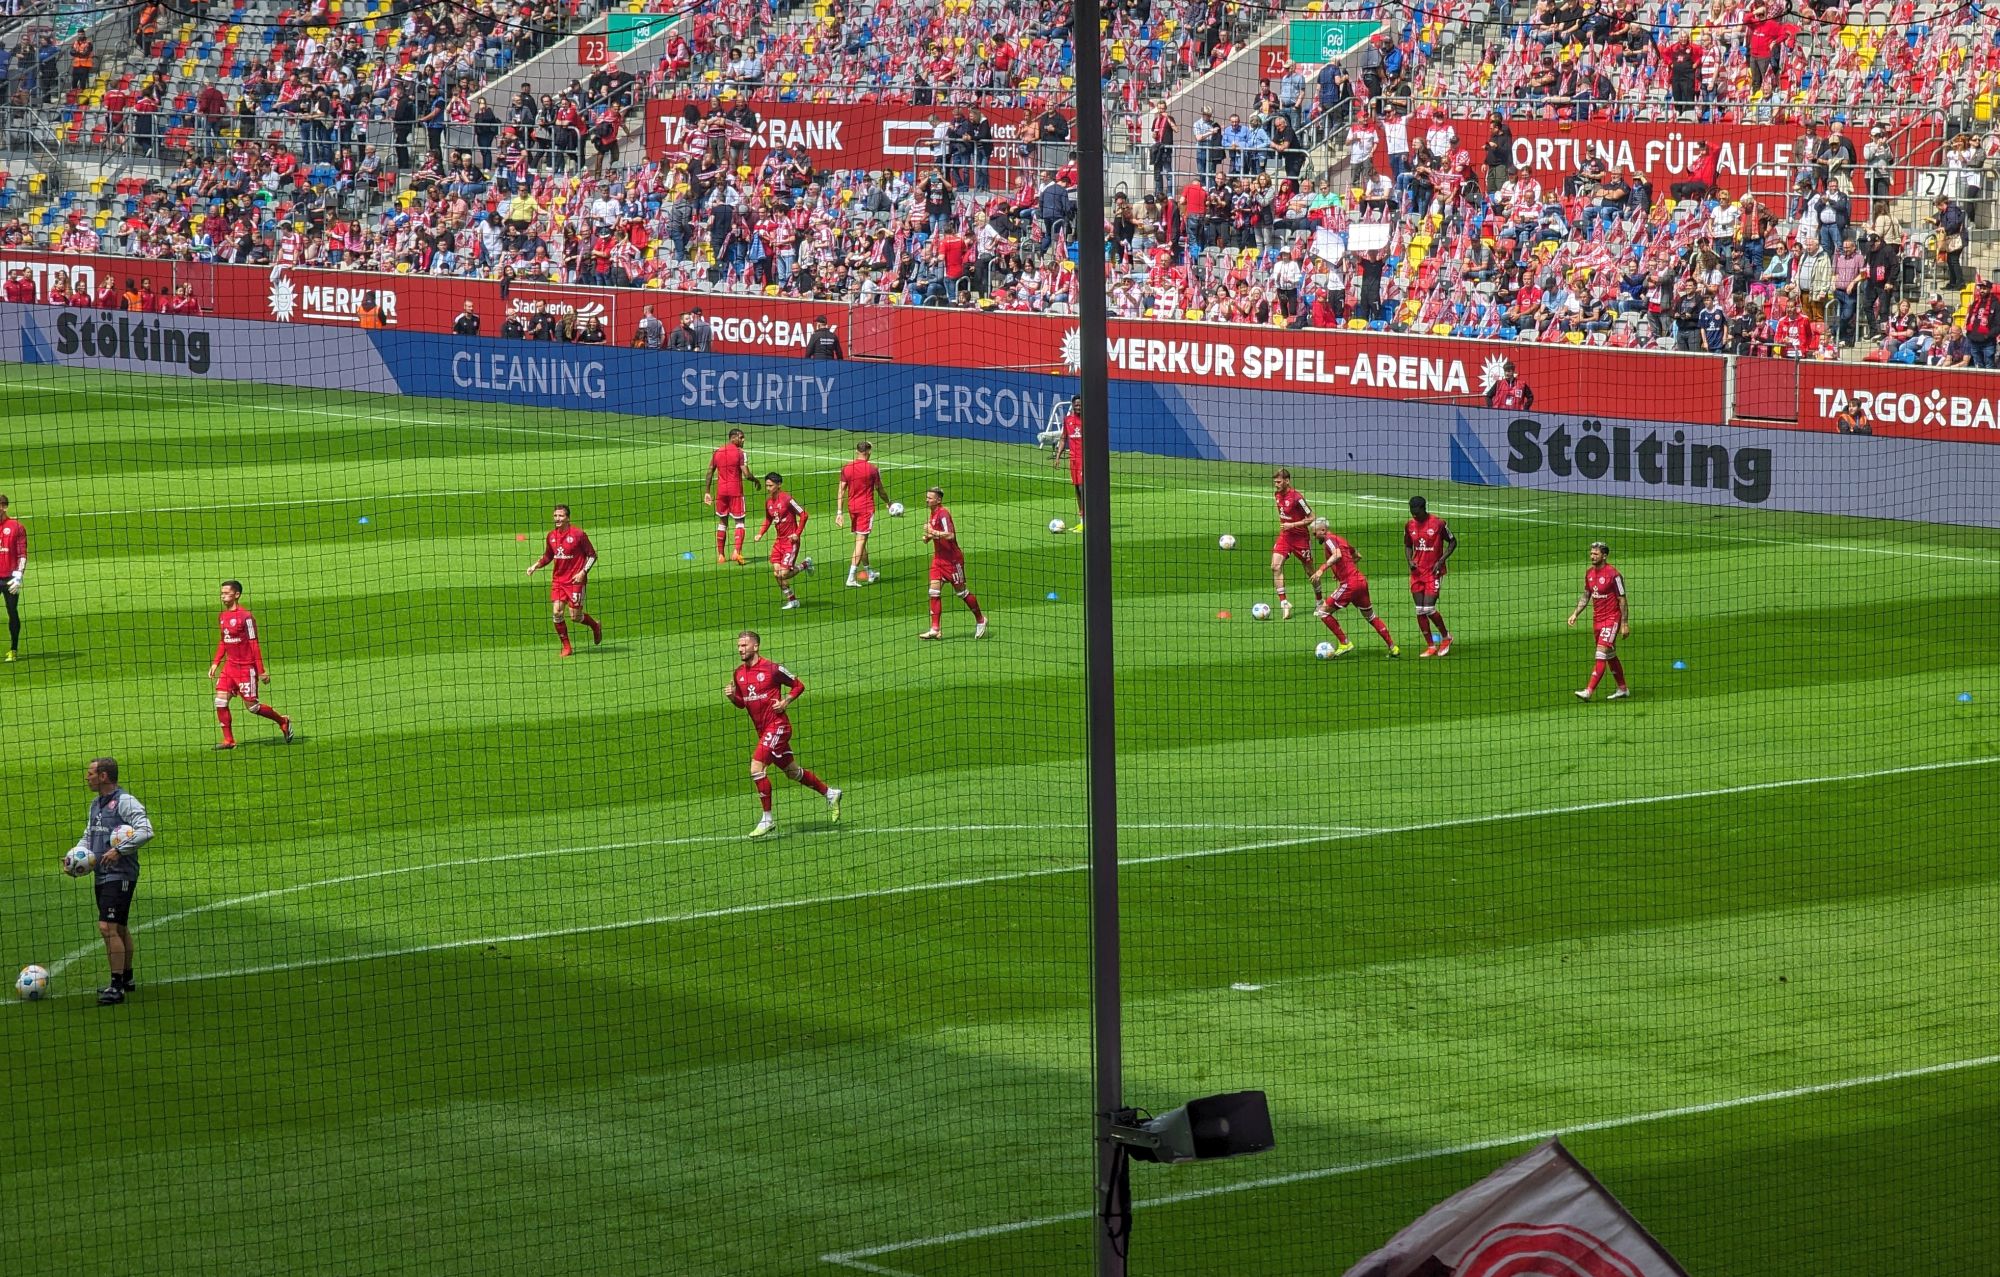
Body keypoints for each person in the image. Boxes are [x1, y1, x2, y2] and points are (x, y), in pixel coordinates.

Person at [727, 630, 840, 838]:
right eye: (739, 646)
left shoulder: (772, 669)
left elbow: (798, 685)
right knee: (792, 771)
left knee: (756, 768)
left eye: (744, 645)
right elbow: (742, 704)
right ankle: (830, 793)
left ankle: (767, 819)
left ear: (755, 646)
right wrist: (733, 697)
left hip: (778, 726)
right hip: (764, 732)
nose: (740, 649)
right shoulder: (739, 673)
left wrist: (785, 701)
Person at [65, 757, 153, 1005]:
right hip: (102, 874)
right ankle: (127, 977)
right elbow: (89, 835)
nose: (87, 777)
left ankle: (116, 987)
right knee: (119, 927)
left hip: (121, 874)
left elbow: (146, 830)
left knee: (107, 927)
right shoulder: (96, 804)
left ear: (103, 776)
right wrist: (73, 857)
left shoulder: (125, 801)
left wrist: (120, 850)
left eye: (90, 773)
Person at [207, 580, 294, 748]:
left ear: (236, 595)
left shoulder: (246, 617)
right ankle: (229, 740)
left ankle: (283, 721)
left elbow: (254, 644)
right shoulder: (222, 616)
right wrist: (215, 663)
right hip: (229, 667)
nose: (222, 596)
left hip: (246, 669)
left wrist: (261, 671)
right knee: (220, 701)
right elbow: (223, 641)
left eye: (226, 593)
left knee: (253, 707)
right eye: (221, 593)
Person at [1308, 519, 1398, 657]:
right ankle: (1393, 647)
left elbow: (1337, 554)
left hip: (1350, 584)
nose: (1314, 537)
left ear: (1323, 530)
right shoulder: (1341, 539)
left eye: (1315, 534)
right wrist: (1340, 572)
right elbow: (1357, 556)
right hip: (1360, 581)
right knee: (1371, 617)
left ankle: (1345, 643)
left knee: (1322, 612)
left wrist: (1321, 570)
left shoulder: (1329, 539)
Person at [523, 505, 601, 658]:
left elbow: (592, 555)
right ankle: (567, 647)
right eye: (555, 516)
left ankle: (595, 625)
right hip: (558, 581)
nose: (557, 519)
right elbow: (548, 556)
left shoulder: (578, 534)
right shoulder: (551, 536)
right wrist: (535, 566)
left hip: (575, 582)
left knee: (575, 617)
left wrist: (583, 572)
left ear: (568, 518)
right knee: (557, 612)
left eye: (560, 516)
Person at [919, 487, 986, 640]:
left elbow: (950, 535)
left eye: (930, 498)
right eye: (926, 497)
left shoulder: (943, 513)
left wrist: (932, 532)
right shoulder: (933, 513)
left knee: (962, 593)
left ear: (938, 500)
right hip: (938, 560)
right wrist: (929, 537)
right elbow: (937, 533)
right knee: (933, 591)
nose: (927, 500)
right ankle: (935, 629)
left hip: (952, 560)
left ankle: (981, 620)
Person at [1567, 540, 1629, 701]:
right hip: (1597, 621)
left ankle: (1588, 691)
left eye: (1596, 553)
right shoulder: (1589, 573)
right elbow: (1586, 595)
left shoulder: (1614, 575)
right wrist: (1575, 614)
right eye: (1591, 553)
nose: (1592, 556)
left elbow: (1622, 599)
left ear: (1605, 556)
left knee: (1600, 653)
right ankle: (1623, 689)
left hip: (1611, 619)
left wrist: (1624, 623)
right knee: (1610, 655)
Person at [1405, 495, 1457, 656]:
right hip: (1417, 573)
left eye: (1417, 511)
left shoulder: (1438, 523)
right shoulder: (1409, 525)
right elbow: (1407, 545)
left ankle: (1446, 637)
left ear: (1424, 508)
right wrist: (1410, 561)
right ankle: (1431, 646)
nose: (1414, 514)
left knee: (1428, 608)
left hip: (1434, 572)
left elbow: (1453, 541)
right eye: (1412, 511)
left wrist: (1441, 561)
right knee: (1420, 610)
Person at [754, 473, 813, 610]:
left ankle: (805, 564)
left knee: (784, 574)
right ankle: (793, 600)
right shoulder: (768, 502)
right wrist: (760, 533)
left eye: (770, 485)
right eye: (767, 485)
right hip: (778, 543)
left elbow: (804, 514)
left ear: (779, 485)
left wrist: (797, 533)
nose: (768, 488)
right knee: (777, 574)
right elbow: (768, 519)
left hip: (790, 543)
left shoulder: (787, 499)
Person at [835, 441, 889, 588]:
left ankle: (870, 572)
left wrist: (839, 512)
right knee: (860, 542)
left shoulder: (846, 468)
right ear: (869, 452)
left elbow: (841, 490)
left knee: (860, 541)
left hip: (852, 508)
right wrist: (888, 502)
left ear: (856, 451)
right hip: (866, 508)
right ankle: (851, 577)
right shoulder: (872, 469)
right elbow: (880, 490)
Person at [1268, 468, 1317, 621]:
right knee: (1275, 566)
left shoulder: (1297, 497)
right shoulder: (1276, 495)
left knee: (1310, 571)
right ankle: (1284, 603)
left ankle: (1320, 601)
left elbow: (1312, 517)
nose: (1276, 484)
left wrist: (1293, 524)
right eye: (1275, 482)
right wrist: (1287, 527)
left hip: (1301, 539)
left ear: (1287, 481)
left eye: (1278, 482)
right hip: (1285, 537)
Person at [1054, 402, 1085, 530]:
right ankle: (1082, 521)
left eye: (1080, 405)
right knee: (1077, 489)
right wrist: (1058, 456)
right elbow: (1063, 438)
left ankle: (1088, 521)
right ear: (1072, 406)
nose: (1078, 407)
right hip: (1073, 460)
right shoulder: (1068, 420)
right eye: (1076, 405)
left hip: (1084, 459)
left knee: (1083, 488)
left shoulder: (1088, 420)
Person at [0, 494, 22, 661]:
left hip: (10, 579)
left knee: (12, 612)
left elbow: (22, 554)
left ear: (4, 507)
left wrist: (18, 576)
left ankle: (13, 650)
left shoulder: (16, 527)